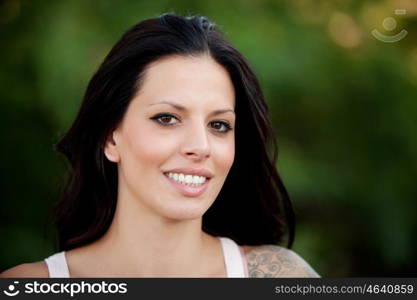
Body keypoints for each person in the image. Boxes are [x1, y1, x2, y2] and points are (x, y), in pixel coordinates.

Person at [1, 13, 319, 278]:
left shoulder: (277, 276)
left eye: (219, 125)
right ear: (111, 137)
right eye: (167, 118)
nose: (200, 146)